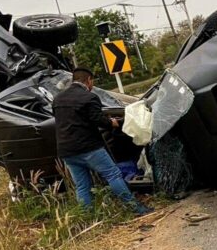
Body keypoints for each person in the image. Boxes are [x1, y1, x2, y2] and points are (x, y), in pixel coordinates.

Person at [53, 68, 152, 215]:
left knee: (82, 186)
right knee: (113, 175)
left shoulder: (57, 99)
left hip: (66, 151)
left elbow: (68, 120)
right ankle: (135, 208)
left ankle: (87, 216)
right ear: (88, 80)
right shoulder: (89, 97)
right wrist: (112, 123)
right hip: (88, 148)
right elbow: (99, 120)